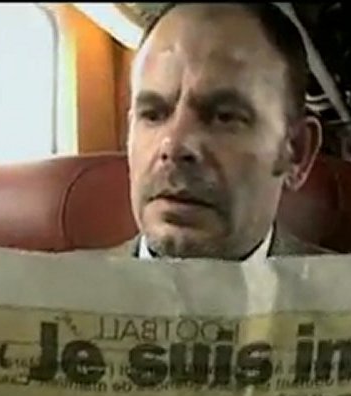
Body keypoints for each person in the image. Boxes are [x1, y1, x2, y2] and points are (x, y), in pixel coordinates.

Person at [109, 2, 326, 261]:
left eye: (224, 117)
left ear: (296, 151)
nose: (174, 145)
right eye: (153, 115)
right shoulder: (68, 284)